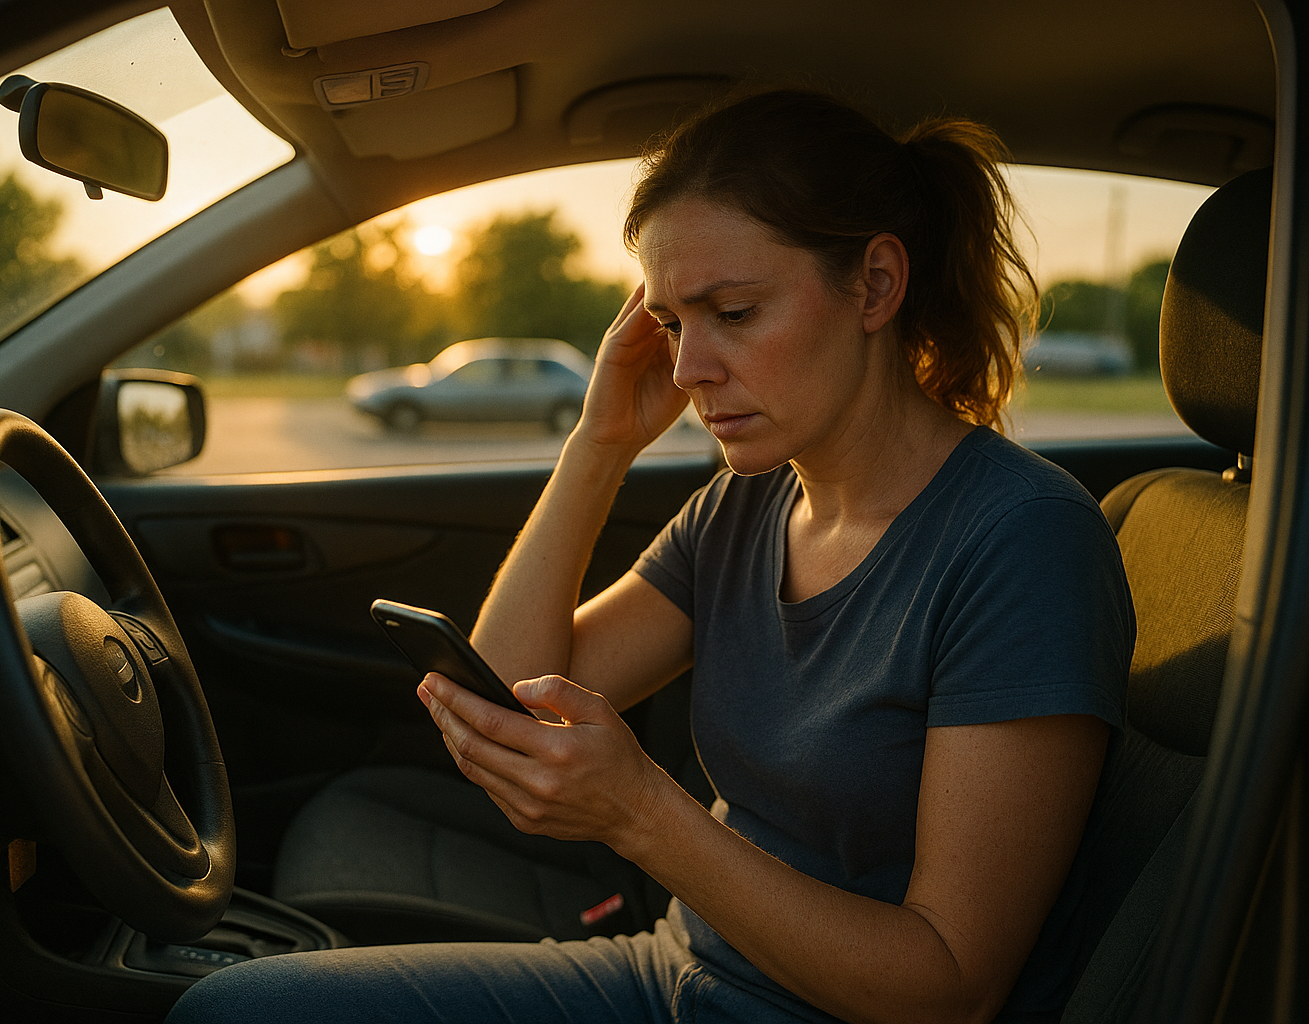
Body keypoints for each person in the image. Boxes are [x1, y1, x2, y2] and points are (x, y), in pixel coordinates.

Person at [168, 90, 1134, 1024]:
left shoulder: (1023, 542)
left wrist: (640, 814)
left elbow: (948, 990)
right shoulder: (745, 503)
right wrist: (599, 445)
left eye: (736, 313)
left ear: (876, 285)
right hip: (673, 973)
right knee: (230, 1010)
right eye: (671, 323)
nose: (686, 368)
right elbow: (516, 696)